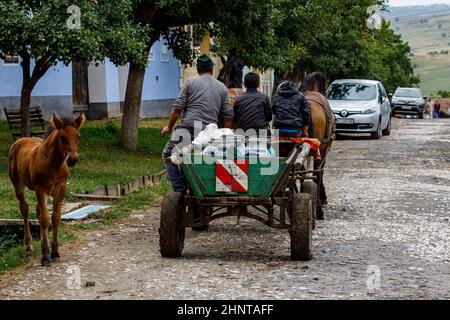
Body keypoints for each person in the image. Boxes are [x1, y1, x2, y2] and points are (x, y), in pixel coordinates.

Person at [161, 54, 233, 193]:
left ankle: (180, 189)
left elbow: (177, 109)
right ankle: (203, 188)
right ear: (212, 70)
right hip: (208, 135)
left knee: (168, 154)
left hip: (187, 129)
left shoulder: (190, 83)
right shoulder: (222, 88)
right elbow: (228, 116)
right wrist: (224, 133)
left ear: (198, 69)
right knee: (206, 161)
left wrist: (169, 127)